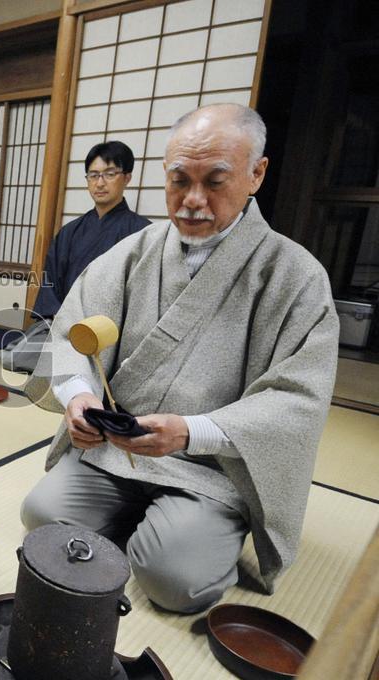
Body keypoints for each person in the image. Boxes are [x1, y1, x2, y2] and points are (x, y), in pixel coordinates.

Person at [21, 104, 339, 613]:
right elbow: (70, 332)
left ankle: (186, 531)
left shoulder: (296, 277)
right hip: (117, 450)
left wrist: (192, 431)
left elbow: (297, 399)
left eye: (215, 181)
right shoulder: (134, 252)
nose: (193, 201)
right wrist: (79, 397)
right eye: (178, 181)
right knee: (40, 514)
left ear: (257, 173)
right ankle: (147, 523)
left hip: (209, 470)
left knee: (173, 581)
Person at [2, 141, 149, 372]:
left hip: (112, 336)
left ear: (127, 177)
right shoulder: (70, 232)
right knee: (13, 358)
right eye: (93, 175)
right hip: (65, 327)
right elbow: (51, 282)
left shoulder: (142, 234)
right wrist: (64, 324)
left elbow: (142, 298)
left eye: (109, 174)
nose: (100, 183)